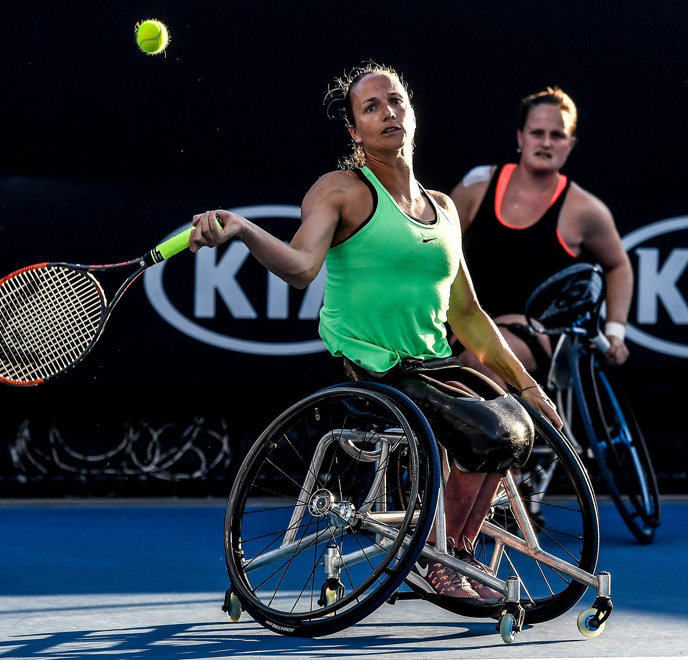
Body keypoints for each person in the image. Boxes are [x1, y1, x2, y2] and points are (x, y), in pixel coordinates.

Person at [188, 63, 562, 604]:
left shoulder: (447, 209)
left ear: (411, 111)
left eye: (396, 102)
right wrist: (244, 229)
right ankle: (436, 561)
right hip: (375, 368)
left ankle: (451, 551)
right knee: (487, 433)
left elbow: (471, 317)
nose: (388, 113)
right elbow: (299, 267)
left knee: (515, 428)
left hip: (434, 364)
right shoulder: (341, 190)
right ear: (355, 132)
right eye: (371, 107)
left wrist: (527, 387)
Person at [449, 86, 633, 386]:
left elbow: (618, 266)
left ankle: (502, 433)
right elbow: (437, 250)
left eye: (557, 135)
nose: (546, 142)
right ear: (520, 137)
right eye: (537, 133)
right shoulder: (476, 186)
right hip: (468, 324)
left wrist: (615, 332)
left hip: (538, 334)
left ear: (570, 144)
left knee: (483, 361)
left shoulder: (585, 210)